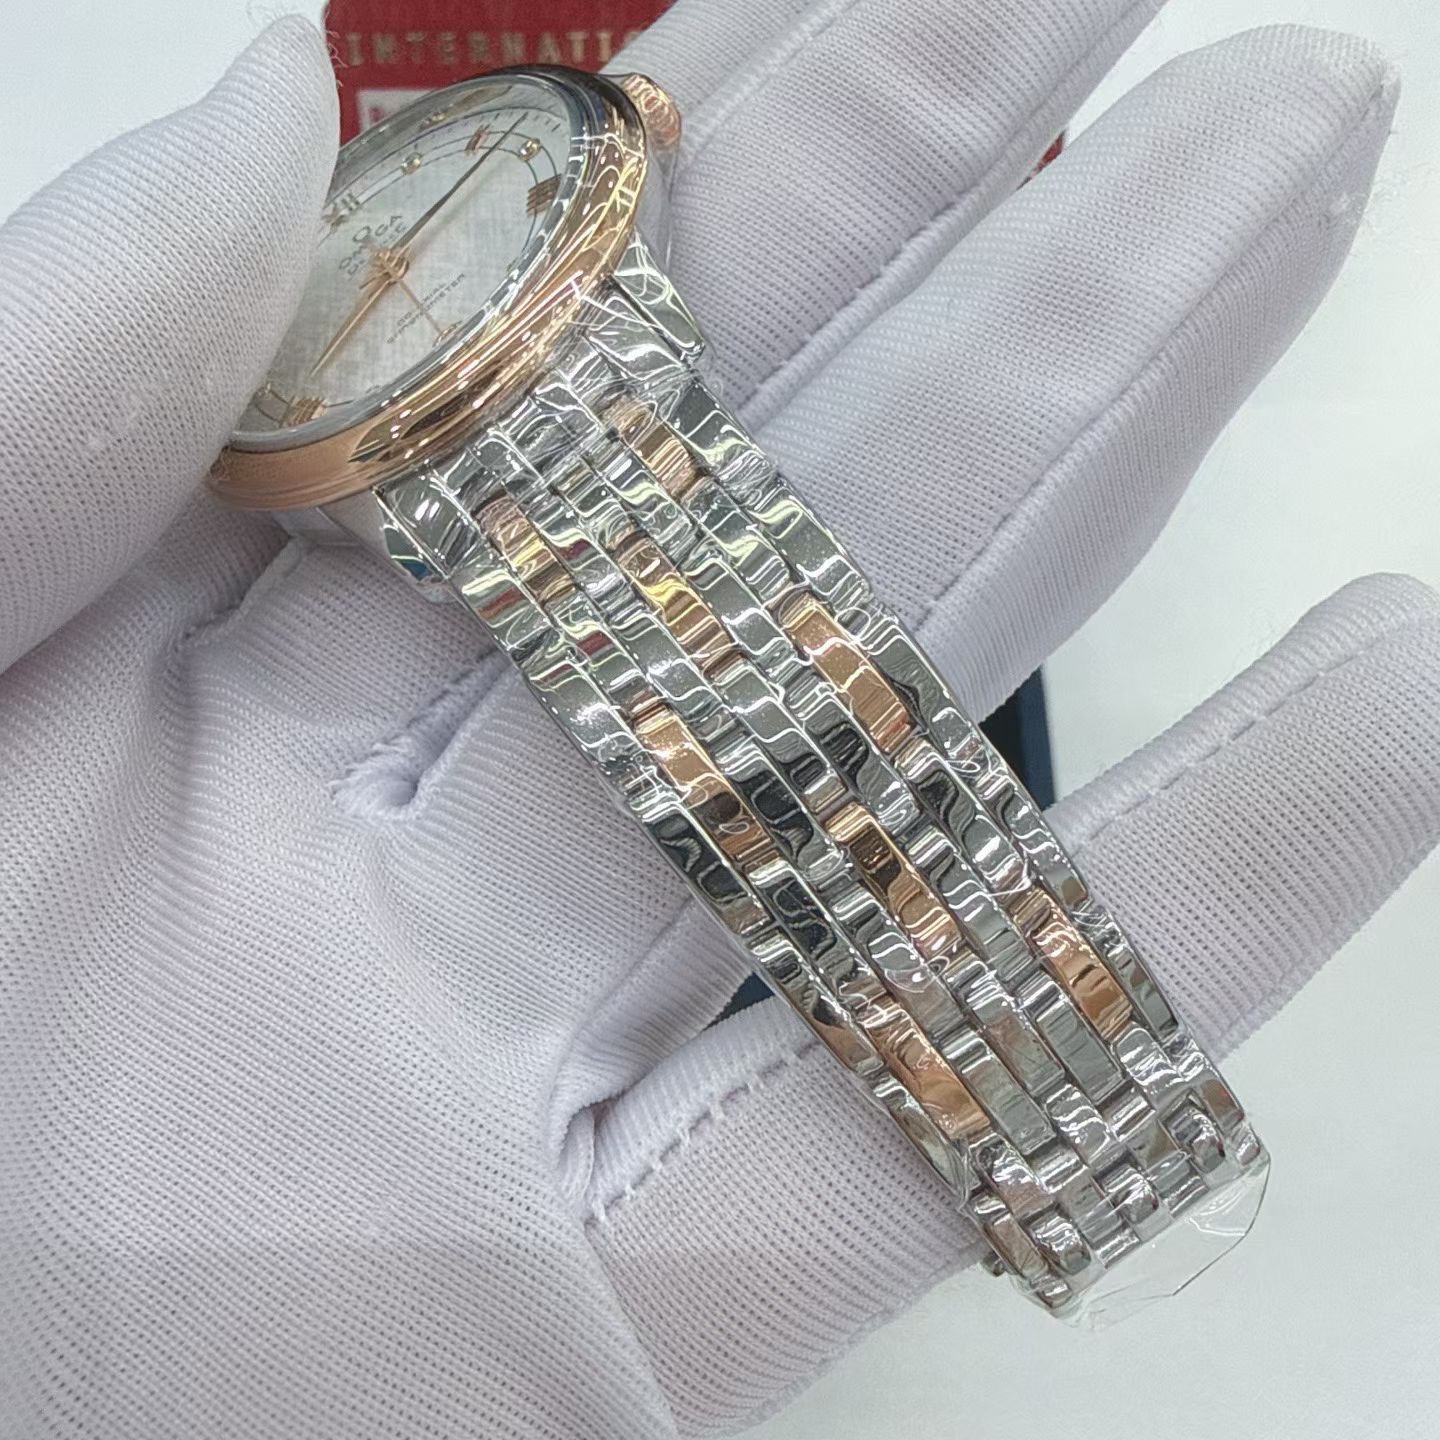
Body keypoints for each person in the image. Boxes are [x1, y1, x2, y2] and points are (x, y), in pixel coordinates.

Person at [1, 5, 1436, 1437]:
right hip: (472, 474)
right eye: (388, 257)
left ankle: (1111, 1133)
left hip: (542, 435)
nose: (395, 264)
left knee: (837, 752)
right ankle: (1093, 1151)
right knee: (817, 768)